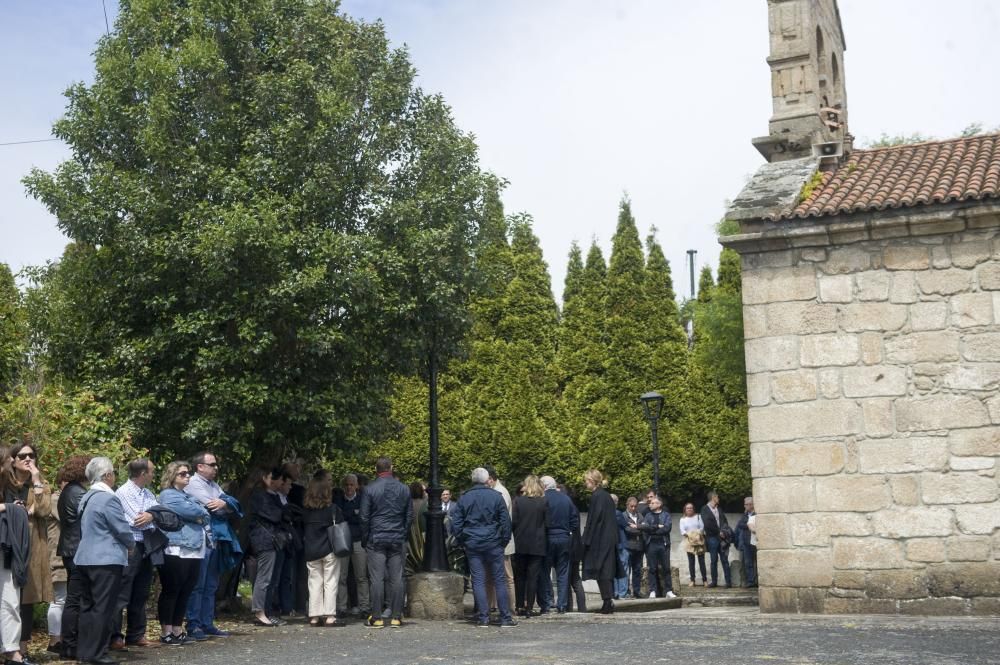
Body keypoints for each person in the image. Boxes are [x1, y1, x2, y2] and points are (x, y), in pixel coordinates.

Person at [74, 457, 134, 665]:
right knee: (103, 607)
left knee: (88, 606)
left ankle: (85, 651)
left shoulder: (87, 497)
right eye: (113, 473)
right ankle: (97, 653)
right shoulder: (108, 498)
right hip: (106, 559)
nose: (115, 477)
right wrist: (131, 544)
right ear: (107, 475)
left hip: (84, 557)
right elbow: (121, 528)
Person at [184, 450, 241, 640]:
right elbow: (213, 509)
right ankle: (193, 625)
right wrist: (225, 504)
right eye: (212, 464)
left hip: (215, 540)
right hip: (201, 540)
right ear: (200, 467)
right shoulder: (192, 484)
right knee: (198, 585)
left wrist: (225, 504)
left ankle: (207, 623)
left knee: (211, 584)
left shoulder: (214, 485)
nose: (216, 468)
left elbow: (232, 505)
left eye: (216, 464)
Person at [451, 468, 516, 628]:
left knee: (478, 580)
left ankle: (483, 617)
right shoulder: (496, 496)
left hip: (473, 542)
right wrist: (503, 540)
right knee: (499, 580)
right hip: (493, 541)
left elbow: (456, 522)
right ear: (487, 480)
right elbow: (505, 522)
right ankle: (505, 617)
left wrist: (462, 539)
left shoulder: (465, 498)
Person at [5, 442, 54, 657]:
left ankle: (22, 649)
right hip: (7, 544)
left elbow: (43, 510)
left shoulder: (40, 484)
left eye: (32, 455)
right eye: (22, 455)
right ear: (13, 461)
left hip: (32, 547)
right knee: (8, 599)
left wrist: (36, 481)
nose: (28, 459)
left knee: (26, 601)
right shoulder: (5, 484)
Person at [157, 461, 210, 646]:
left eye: (188, 473)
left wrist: (199, 513)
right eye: (183, 474)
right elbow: (194, 510)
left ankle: (178, 628)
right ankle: (166, 631)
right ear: (172, 476)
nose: (187, 476)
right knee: (172, 589)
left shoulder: (186, 495)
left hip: (194, 548)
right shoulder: (167, 495)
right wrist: (199, 513)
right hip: (176, 548)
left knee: (186, 589)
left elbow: (204, 512)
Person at [110, 458, 158, 650]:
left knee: (141, 592)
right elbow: (135, 519)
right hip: (130, 547)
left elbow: (161, 515)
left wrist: (153, 516)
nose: (154, 475)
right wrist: (152, 516)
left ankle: (136, 634)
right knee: (122, 592)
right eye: (152, 471)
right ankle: (115, 637)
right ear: (143, 473)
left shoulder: (148, 493)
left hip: (146, 545)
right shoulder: (124, 492)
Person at [360, 457, 412, 628]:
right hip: (397, 537)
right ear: (392, 468)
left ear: (376, 469)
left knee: (376, 578)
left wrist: (365, 538)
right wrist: (403, 534)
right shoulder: (404, 489)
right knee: (397, 578)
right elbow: (409, 516)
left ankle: (376, 617)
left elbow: (364, 517)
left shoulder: (370, 489)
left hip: (376, 537)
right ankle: (397, 617)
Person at [55, 455, 90, 661]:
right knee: (75, 599)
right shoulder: (77, 492)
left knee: (74, 598)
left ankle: (69, 644)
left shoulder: (70, 490)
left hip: (71, 549)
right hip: (76, 550)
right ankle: (69, 644)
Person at [301, 473, 345, 627]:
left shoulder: (305, 510)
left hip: (311, 550)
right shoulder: (333, 509)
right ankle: (330, 616)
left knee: (314, 583)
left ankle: (314, 616)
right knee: (330, 582)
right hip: (329, 549)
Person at [248, 469, 290, 626]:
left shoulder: (273, 496)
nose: (280, 483)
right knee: (264, 578)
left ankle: (267, 611)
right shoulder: (260, 496)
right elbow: (275, 515)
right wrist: (283, 511)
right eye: (277, 479)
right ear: (266, 479)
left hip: (273, 540)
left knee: (272, 579)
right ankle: (259, 612)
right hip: (264, 540)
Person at [0, 444, 29, 665]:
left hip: (8, 547)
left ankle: (12, 651)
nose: (13, 461)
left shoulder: (9, 484)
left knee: (10, 598)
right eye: (10, 458)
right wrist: (6, 507)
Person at [581, 469, 621, 614]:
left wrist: (586, 539)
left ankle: (607, 601)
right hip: (608, 538)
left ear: (592, 481)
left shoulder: (597, 497)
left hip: (599, 540)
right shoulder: (606, 497)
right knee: (605, 571)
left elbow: (593, 520)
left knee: (602, 571)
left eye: (586, 481)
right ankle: (607, 600)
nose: (585, 484)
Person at [538, 475, 576, 613]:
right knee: (562, 572)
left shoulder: (542, 499)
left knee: (544, 571)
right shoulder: (566, 499)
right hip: (564, 537)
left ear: (544, 486)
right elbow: (574, 519)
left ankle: (547, 602)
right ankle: (562, 604)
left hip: (547, 537)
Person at [334, 473, 369, 618]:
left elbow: (363, 519)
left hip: (358, 541)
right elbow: (339, 519)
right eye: (346, 484)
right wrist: (354, 515)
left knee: (361, 576)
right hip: (342, 541)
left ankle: (364, 607)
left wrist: (350, 517)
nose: (349, 487)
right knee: (341, 576)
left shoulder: (363, 500)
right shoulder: (338, 501)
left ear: (357, 486)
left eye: (351, 484)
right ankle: (341, 607)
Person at [510, 475, 546, 618]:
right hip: (538, 543)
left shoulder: (518, 501)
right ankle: (530, 606)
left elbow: (514, 522)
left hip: (521, 542)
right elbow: (547, 523)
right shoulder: (543, 502)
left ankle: (519, 605)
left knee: (520, 576)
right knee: (533, 577)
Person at [483, 466, 515, 613]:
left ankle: (509, 607)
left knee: (506, 577)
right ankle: (494, 605)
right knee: (497, 577)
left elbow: (502, 519)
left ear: (491, 479)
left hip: (501, 541)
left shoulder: (500, 492)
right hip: (500, 540)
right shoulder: (499, 491)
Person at [46, 474, 67, 656]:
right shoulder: (55, 499)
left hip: (67, 557)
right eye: (65, 480)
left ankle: (62, 638)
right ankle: (54, 640)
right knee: (58, 599)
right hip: (57, 557)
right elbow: (68, 519)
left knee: (65, 599)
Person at [641, 494, 676, 599]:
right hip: (651, 544)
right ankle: (653, 590)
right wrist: (656, 527)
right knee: (652, 568)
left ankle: (668, 590)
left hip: (663, 543)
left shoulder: (666, 515)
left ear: (659, 504)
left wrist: (653, 531)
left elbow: (667, 528)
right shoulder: (648, 515)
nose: (650, 504)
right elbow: (645, 528)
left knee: (666, 568)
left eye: (652, 503)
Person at [701, 491, 732, 588]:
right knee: (713, 560)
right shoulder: (705, 509)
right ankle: (714, 582)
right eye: (717, 497)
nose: (718, 499)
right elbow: (707, 524)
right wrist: (719, 532)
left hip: (722, 538)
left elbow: (725, 521)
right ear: (713, 498)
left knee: (724, 560)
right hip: (712, 538)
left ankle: (728, 582)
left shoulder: (719, 509)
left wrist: (724, 531)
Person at [620, 496, 645, 598]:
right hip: (628, 546)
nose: (633, 508)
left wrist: (638, 527)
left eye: (635, 506)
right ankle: (625, 592)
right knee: (626, 570)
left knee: (637, 570)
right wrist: (640, 528)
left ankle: (637, 591)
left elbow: (646, 527)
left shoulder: (640, 516)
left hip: (639, 547)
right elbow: (627, 530)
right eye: (631, 506)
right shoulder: (623, 516)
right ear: (627, 505)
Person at [680, 502, 707, 587]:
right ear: (685, 509)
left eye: (691, 508)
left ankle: (705, 580)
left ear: (693, 509)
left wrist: (696, 535)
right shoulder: (683, 520)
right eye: (688, 508)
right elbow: (682, 531)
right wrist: (691, 536)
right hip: (689, 542)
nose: (689, 509)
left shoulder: (698, 517)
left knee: (701, 561)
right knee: (691, 562)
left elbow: (702, 528)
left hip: (699, 541)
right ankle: (692, 580)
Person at [736, 496, 757, 588]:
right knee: (748, 563)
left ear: (750, 505)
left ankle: (757, 581)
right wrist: (748, 525)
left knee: (756, 562)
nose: (745, 506)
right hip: (746, 542)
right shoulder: (744, 515)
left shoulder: (757, 514)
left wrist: (750, 525)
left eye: (746, 504)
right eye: (745, 504)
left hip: (755, 542)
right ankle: (751, 581)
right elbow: (740, 524)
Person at [610, 493, 629, 599]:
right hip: (621, 544)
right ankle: (622, 592)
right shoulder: (617, 513)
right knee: (623, 568)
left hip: (613, 545)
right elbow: (625, 526)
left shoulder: (606, 513)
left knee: (613, 569)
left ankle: (616, 592)